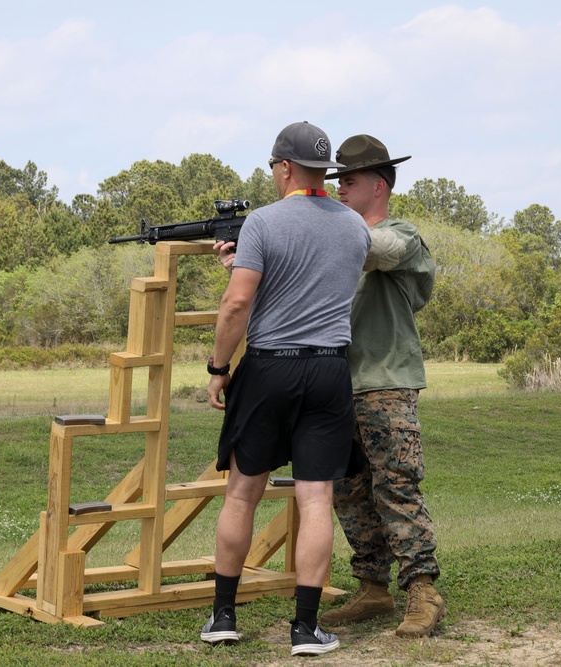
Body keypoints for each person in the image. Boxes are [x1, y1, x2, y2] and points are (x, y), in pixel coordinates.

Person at [201, 121, 370, 657]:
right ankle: (305, 629)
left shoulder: (263, 224)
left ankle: (223, 617)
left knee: (243, 492)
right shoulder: (355, 227)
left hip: (271, 366)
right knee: (316, 498)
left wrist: (217, 366)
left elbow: (236, 304)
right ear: (326, 172)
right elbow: (314, 279)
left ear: (283, 168)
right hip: (328, 370)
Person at [318, 134, 445, 637]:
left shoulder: (402, 235)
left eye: (347, 182)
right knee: (347, 491)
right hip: (335, 384)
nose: (339, 190)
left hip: (385, 383)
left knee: (396, 485)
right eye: (337, 181)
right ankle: (372, 587)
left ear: (378, 185)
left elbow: (375, 249)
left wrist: (314, 228)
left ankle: (423, 589)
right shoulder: (337, 239)